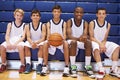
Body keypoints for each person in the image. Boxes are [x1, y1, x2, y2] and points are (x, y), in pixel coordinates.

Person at [89, 8, 120, 78]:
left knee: (117, 47)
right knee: (96, 48)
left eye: (103, 14)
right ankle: (101, 68)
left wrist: (103, 44)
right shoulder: (92, 23)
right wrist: (100, 44)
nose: (101, 15)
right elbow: (91, 37)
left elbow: (105, 38)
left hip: (103, 42)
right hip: (94, 41)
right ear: (96, 15)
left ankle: (113, 69)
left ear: (105, 15)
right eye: (99, 13)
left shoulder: (108, 24)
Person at [40, 5, 69, 77]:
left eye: (58, 12)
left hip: (61, 41)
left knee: (65, 43)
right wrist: (52, 40)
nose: (56, 13)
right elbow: (48, 35)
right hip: (51, 41)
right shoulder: (49, 23)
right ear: (52, 12)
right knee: (45, 43)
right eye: (55, 11)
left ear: (60, 13)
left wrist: (60, 40)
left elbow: (64, 35)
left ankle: (66, 67)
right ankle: (45, 66)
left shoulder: (63, 23)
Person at [67, 7, 94, 78]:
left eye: (81, 12)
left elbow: (85, 35)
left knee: (88, 42)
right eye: (77, 12)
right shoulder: (70, 21)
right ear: (74, 13)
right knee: (73, 42)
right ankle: (73, 67)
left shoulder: (85, 23)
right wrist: (78, 39)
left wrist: (84, 38)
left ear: (83, 14)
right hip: (72, 40)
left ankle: (87, 67)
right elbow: (69, 36)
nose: (79, 14)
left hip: (80, 41)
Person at [0, 9, 26, 73]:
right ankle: (3, 64)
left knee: (20, 47)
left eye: (20, 16)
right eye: (17, 15)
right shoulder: (10, 24)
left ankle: (23, 65)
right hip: (10, 40)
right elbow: (7, 35)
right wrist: (8, 43)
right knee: (2, 46)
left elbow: (23, 37)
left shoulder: (25, 25)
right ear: (14, 16)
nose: (19, 17)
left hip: (19, 41)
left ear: (22, 17)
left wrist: (15, 44)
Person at [24, 9, 46, 74]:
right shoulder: (28, 26)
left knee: (42, 45)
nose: (35, 17)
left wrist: (36, 43)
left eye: (37, 15)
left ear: (40, 17)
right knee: (26, 45)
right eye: (34, 15)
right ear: (31, 17)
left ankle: (39, 64)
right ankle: (28, 64)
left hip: (39, 41)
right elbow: (28, 37)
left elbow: (43, 38)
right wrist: (32, 43)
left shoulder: (43, 25)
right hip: (31, 41)